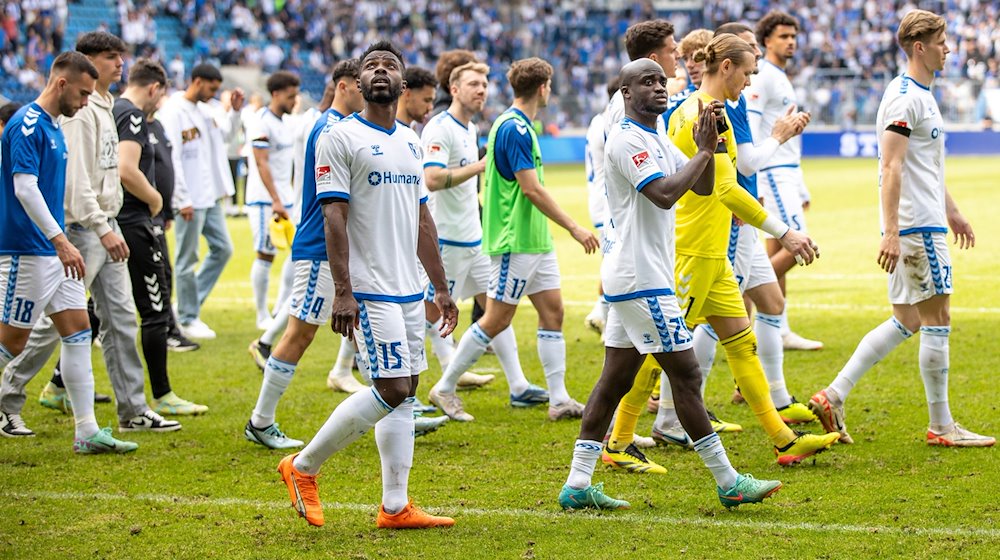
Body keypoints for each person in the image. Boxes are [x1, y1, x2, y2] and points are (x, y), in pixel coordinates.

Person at [559, 58, 782, 510]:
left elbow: (699, 189)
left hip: (641, 275)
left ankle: (578, 484)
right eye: (647, 81)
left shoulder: (657, 136)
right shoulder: (625, 139)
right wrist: (701, 153)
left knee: (615, 379)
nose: (659, 87)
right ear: (625, 93)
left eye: (662, 80)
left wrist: (711, 145)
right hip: (641, 278)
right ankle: (728, 480)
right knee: (686, 372)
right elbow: (663, 195)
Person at [277, 40, 458, 529]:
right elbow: (333, 216)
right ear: (357, 84)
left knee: (410, 387)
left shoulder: (410, 140)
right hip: (370, 287)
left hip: (407, 287)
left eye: (389, 65)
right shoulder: (339, 137)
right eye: (370, 66)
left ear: (402, 82)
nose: (380, 71)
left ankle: (395, 507)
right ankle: (303, 466)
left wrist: (439, 289)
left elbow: (422, 219)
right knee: (392, 386)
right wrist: (342, 290)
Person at [809, 10, 994, 448]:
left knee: (907, 318)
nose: (948, 48)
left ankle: (833, 395)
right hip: (916, 228)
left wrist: (953, 211)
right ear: (920, 47)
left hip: (924, 219)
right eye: (942, 41)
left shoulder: (920, 95)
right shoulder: (905, 97)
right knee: (938, 318)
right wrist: (891, 232)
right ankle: (942, 426)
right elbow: (891, 166)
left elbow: (921, 165)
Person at [666, 33, 838, 464]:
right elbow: (727, 186)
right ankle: (619, 440)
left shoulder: (700, 109)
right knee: (659, 349)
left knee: (741, 342)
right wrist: (785, 231)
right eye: (747, 71)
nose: (750, 80)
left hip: (711, 245)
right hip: (696, 246)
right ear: (726, 67)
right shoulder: (704, 114)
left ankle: (783, 438)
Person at [0, 32, 181, 435]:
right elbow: (74, 181)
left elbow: (100, 171)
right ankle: (8, 398)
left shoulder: (103, 104)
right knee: (48, 327)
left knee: (115, 320)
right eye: (111, 57)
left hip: (103, 224)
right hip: (83, 229)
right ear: (85, 63)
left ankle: (130, 409)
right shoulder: (75, 111)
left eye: (120, 57)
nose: (120, 65)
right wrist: (100, 227)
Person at [429, 58, 598, 422]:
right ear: (543, 88)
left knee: (553, 313)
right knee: (496, 319)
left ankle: (559, 399)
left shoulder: (521, 125)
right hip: (514, 241)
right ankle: (445, 386)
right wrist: (574, 226)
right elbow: (531, 189)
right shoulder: (514, 129)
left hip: (535, 239)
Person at [249, 60, 368, 394]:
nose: (366, 91)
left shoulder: (344, 125)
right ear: (343, 86)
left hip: (343, 246)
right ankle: (261, 420)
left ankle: (399, 408)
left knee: (367, 327)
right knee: (300, 334)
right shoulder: (329, 128)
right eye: (360, 84)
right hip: (320, 246)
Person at [114, 58, 207, 416]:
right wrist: (155, 200)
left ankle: (60, 383)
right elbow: (127, 169)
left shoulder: (121, 112)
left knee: (104, 308)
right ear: (154, 88)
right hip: (135, 221)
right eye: (160, 96)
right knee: (154, 311)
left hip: (134, 221)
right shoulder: (132, 114)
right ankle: (162, 394)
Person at [744, 10, 823, 351]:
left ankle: (779, 328)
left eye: (793, 36)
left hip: (787, 171)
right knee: (797, 246)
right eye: (783, 37)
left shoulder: (779, 76)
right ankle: (745, 289)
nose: (791, 42)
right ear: (766, 41)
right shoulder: (763, 77)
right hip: (773, 171)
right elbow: (752, 124)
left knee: (776, 248)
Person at [158, 63, 238, 340]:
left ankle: (188, 306)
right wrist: (181, 198)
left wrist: (235, 111)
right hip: (189, 197)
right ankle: (188, 318)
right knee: (186, 257)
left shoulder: (207, 110)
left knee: (223, 249)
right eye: (211, 88)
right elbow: (172, 158)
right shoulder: (172, 111)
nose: (214, 94)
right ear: (197, 81)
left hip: (210, 195)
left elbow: (227, 135)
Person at [245, 70, 300, 330]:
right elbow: (261, 162)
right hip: (265, 200)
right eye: (290, 96)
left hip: (285, 198)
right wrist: (275, 198)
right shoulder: (261, 121)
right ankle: (260, 313)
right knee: (265, 254)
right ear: (276, 94)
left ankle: (280, 307)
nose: (294, 101)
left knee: (297, 252)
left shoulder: (286, 123)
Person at [148, 98, 199, 353]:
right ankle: (169, 330)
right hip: (139, 215)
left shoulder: (156, 125)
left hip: (158, 214)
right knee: (155, 275)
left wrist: (166, 209)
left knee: (163, 273)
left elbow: (165, 166)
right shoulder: (129, 121)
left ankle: (170, 330)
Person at [581, 77, 619, 336]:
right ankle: (608, 322)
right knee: (615, 261)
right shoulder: (609, 123)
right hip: (607, 202)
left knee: (614, 259)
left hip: (601, 199)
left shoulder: (598, 120)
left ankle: (600, 311)